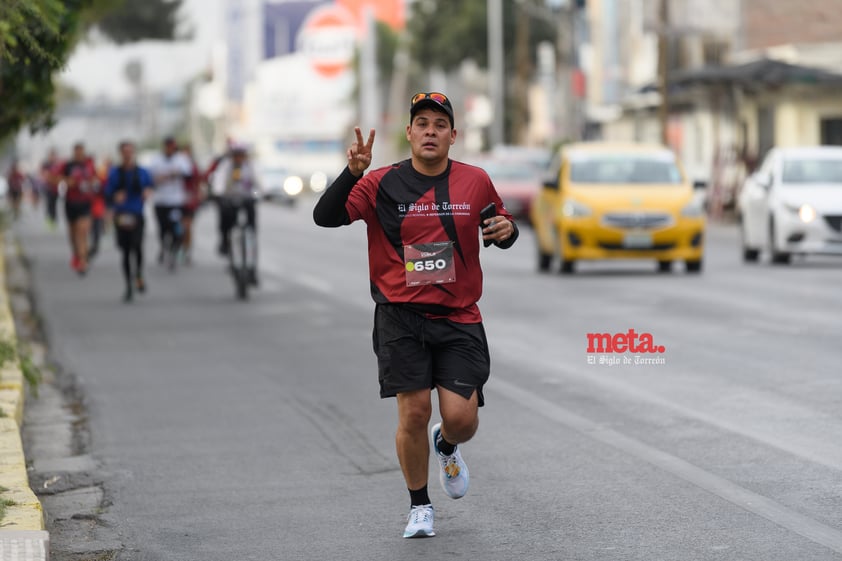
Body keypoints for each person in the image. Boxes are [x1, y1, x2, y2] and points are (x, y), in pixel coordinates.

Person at [313, 92, 518, 538]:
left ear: (452, 136)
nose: (430, 131)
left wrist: (509, 229)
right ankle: (420, 505)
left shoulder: (475, 181)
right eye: (421, 123)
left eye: (439, 125)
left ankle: (446, 445)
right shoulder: (379, 184)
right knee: (413, 413)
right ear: (408, 133)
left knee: (461, 419)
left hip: (458, 316)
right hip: (400, 317)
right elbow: (325, 217)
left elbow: (499, 228)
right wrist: (351, 175)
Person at [105, 141, 154, 302]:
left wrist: (147, 192)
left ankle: (138, 274)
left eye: (130, 152)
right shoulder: (115, 173)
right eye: (124, 152)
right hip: (121, 215)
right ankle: (128, 285)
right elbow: (106, 192)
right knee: (125, 251)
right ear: (121, 153)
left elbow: (150, 186)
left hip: (136, 213)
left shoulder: (141, 172)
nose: (127, 154)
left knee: (137, 247)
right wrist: (114, 197)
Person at [210, 144, 260, 285]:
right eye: (236, 155)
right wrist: (218, 194)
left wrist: (260, 194)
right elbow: (218, 182)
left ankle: (252, 269)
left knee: (252, 232)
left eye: (241, 155)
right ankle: (225, 242)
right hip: (229, 199)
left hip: (246, 199)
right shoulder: (226, 166)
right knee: (225, 221)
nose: (239, 158)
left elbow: (258, 181)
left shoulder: (250, 166)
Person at [149, 136, 191, 268]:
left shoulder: (181, 159)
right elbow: (150, 179)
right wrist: (160, 178)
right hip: (160, 201)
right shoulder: (156, 160)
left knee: (177, 229)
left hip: (176, 201)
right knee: (162, 229)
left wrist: (173, 174)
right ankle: (164, 248)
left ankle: (174, 251)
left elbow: (187, 173)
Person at [60, 142, 99, 274]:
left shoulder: (89, 164)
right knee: (72, 233)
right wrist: (67, 180)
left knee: (82, 231)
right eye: (77, 152)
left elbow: (96, 178)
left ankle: (83, 261)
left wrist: (92, 183)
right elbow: (52, 177)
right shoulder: (67, 165)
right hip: (70, 202)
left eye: (81, 151)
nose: (79, 154)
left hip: (85, 203)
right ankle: (77, 254)